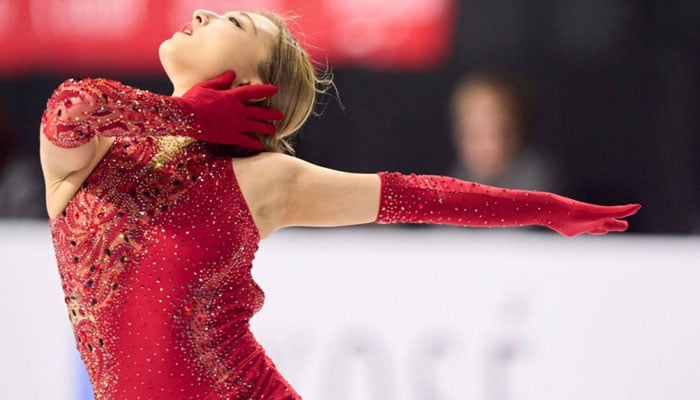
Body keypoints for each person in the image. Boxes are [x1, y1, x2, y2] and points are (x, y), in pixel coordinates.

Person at [39, 9, 640, 400]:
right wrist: (190, 114)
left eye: (233, 23)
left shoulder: (262, 181)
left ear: (251, 80)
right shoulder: (99, 156)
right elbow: (68, 108)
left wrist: (543, 207)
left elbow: (414, 195)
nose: (200, 13)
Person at [449, 69, 558, 191]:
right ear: (458, 135)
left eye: (504, 132)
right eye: (476, 134)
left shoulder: (538, 183)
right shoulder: (452, 184)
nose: (491, 145)